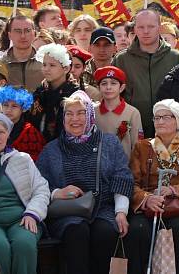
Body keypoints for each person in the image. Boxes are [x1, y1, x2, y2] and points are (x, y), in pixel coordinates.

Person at [36, 91, 133, 274]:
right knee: (76, 232)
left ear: (90, 115)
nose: (75, 119)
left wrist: (121, 212)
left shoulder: (110, 143)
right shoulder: (52, 149)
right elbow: (37, 184)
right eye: (69, 114)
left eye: (81, 113)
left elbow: (122, 177)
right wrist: (57, 192)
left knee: (105, 233)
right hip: (67, 212)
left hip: (103, 208)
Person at [125, 99, 179, 274]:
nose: (160, 121)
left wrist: (175, 191)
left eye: (166, 117)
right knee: (138, 229)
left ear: (177, 120)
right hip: (149, 205)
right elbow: (131, 183)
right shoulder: (142, 147)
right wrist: (147, 199)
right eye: (156, 118)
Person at [0, 113, 50, 274]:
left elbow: (41, 189)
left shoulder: (22, 159)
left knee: (24, 244)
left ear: (8, 135)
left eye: (2, 132)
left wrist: (33, 213)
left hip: (22, 219)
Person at [112, 8, 179, 138]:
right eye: (141, 27)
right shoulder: (121, 60)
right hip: (133, 129)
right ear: (135, 29)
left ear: (159, 27)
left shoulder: (177, 58)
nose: (146, 31)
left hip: (170, 131)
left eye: (151, 26)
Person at [29, 44, 80, 141]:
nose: (46, 69)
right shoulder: (40, 92)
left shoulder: (75, 94)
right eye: (44, 64)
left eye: (52, 65)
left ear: (66, 68)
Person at [93, 66, 143, 159]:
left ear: (122, 87)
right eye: (104, 83)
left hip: (124, 167)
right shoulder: (93, 112)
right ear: (98, 87)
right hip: (97, 167)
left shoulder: (132, 113)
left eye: (113, 83)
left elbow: (137, 146)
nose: (108, 87)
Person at [0, 86, 45, 161]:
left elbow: (38, 158)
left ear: (23, 109)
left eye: (14, 106)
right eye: (5, 105)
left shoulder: (30, 131)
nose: (9, 110)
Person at [1, 16, 43, 91]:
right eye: (18, 31)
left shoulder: (45, 62)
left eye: (27, 31)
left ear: (34, 34)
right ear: (9, 35)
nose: (23, 36)